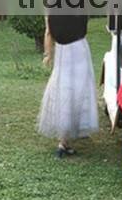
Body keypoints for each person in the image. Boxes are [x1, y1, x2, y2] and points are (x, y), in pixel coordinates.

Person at [36, 12, 98, 157]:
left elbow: (49, 32)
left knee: (64, 90)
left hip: (63, 51)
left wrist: (48, 54)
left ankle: (64, 140)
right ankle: (68, 137)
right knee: (79, 90)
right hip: (79, 48)